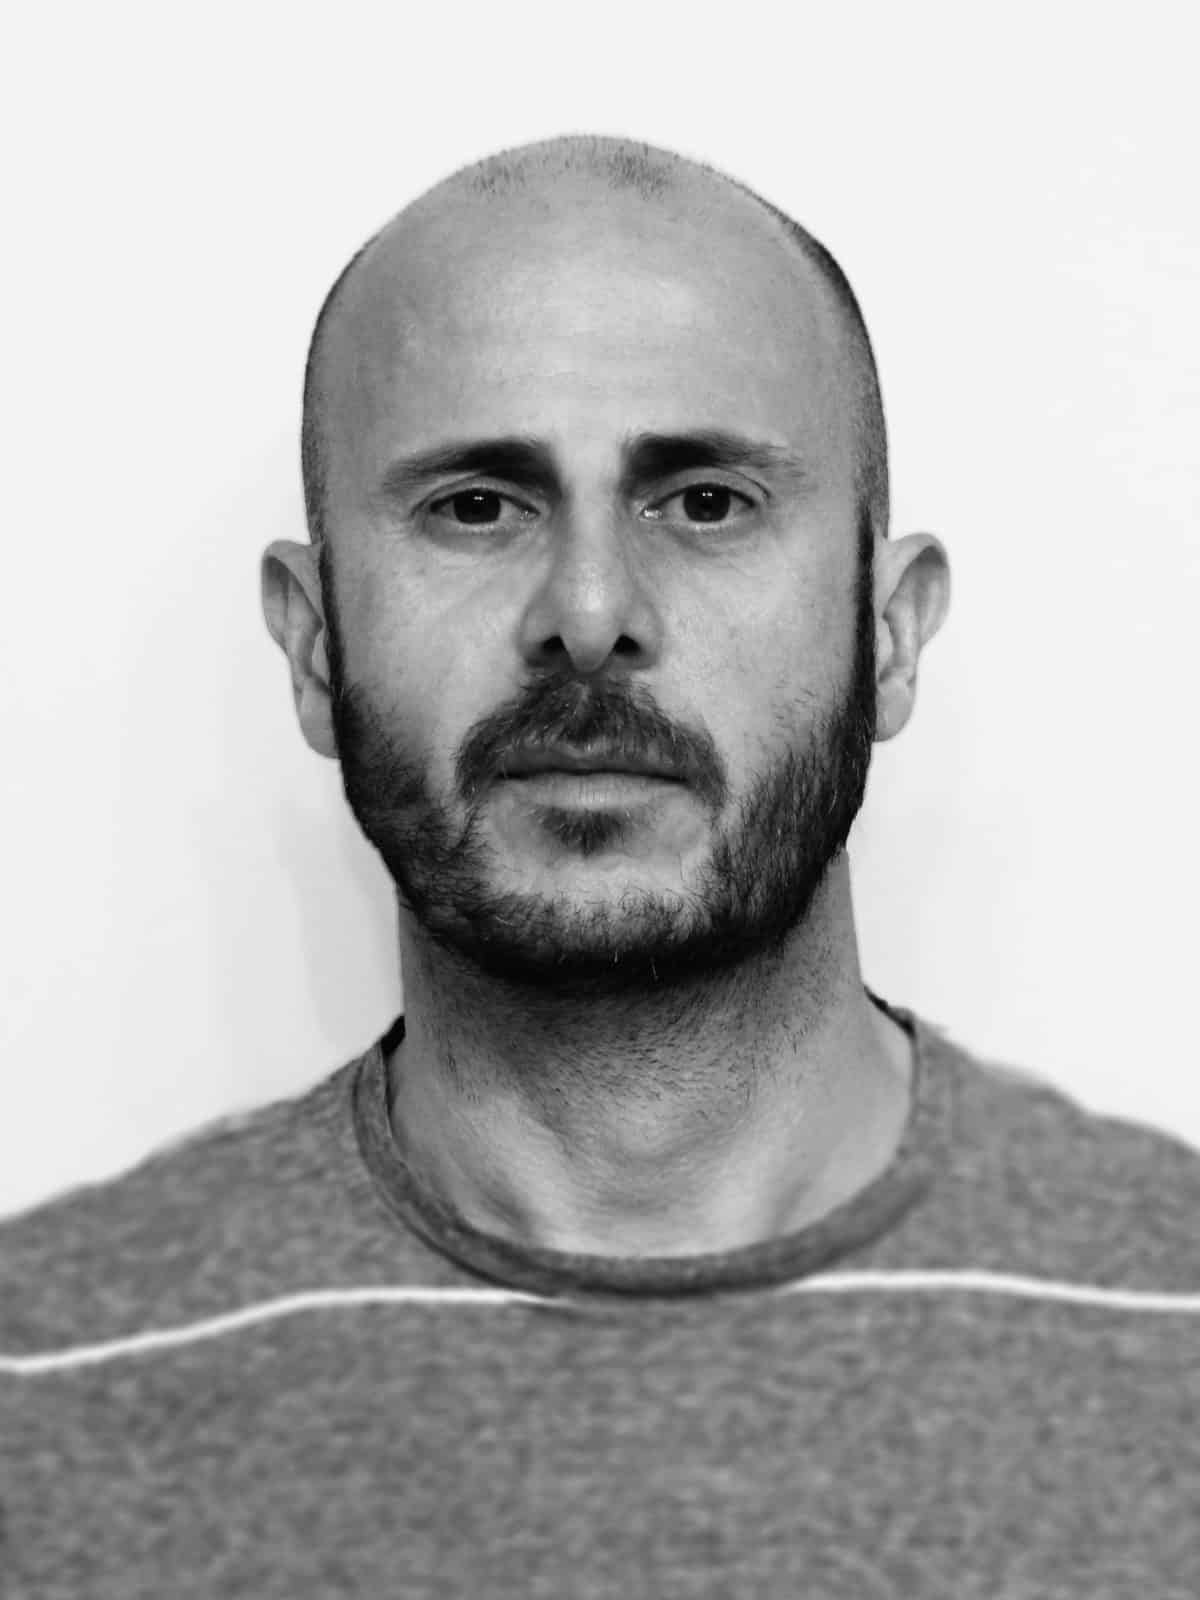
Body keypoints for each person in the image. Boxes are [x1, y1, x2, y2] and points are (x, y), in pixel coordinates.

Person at [2, 134, 1197, 1598]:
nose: (586, 613)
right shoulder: (38, 1388)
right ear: (313, 647)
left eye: (706, 502)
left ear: (888, 635)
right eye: (475, 506)